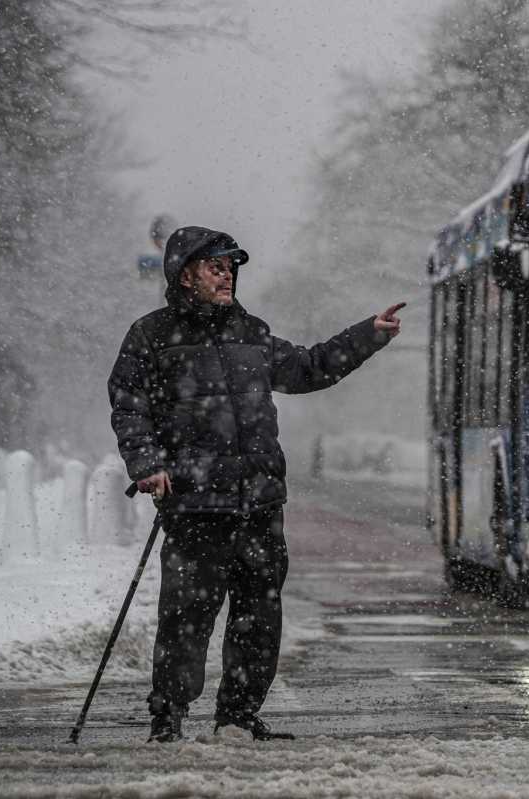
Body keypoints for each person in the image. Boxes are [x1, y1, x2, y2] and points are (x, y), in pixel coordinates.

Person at [108, 225, 405, 743]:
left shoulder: (252, 332)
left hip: (260, 503)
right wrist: (147, 464)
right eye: (215, 266)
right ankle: (168, 716)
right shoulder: (151, 336)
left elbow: (311, 368)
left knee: (259, 616)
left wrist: (369, 334)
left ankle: (238, 717)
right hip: (195, 503)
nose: (227, 275)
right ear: (184, 275)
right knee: (187, 617)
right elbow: (129, 406)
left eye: (231, 267)